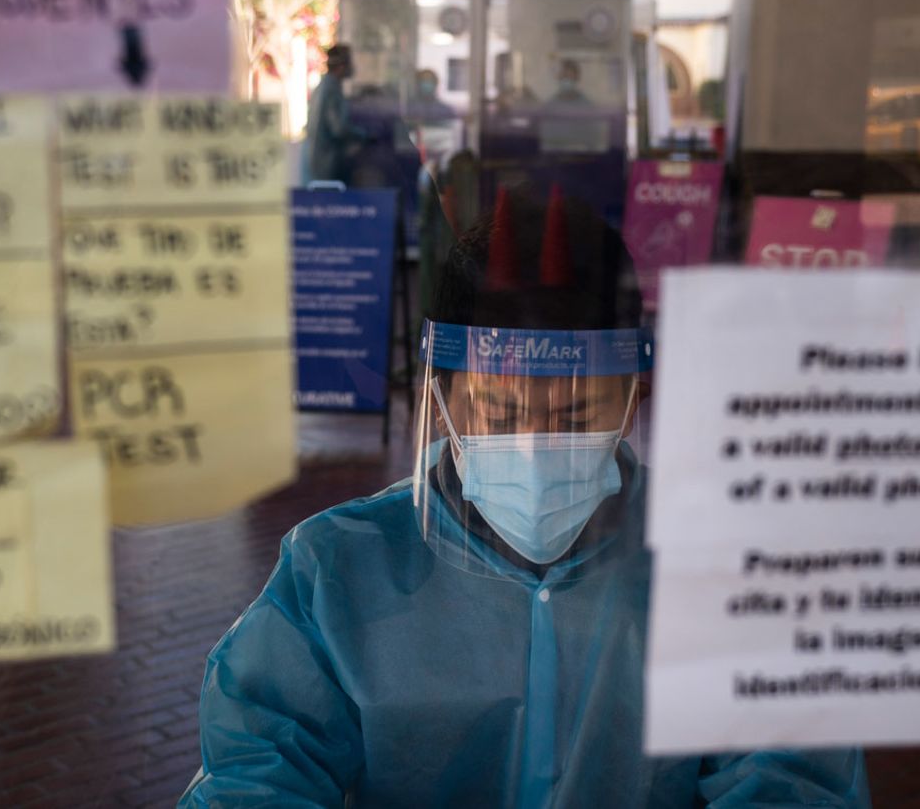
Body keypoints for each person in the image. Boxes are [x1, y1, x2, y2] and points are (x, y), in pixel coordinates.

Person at [180, 187, 870, 807]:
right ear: (441, 399)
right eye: (499, 415)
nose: (537, 441)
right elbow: (256, 775)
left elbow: (793, 776)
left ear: (635, 399)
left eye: (574, 418)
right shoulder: (334, 576)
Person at [306, 44, 367, 186]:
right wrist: (364, 135)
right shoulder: (331, 90)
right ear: (341, 67)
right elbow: (338, 128)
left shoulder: (323, 87)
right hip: (328, 164)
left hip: (318, 162)